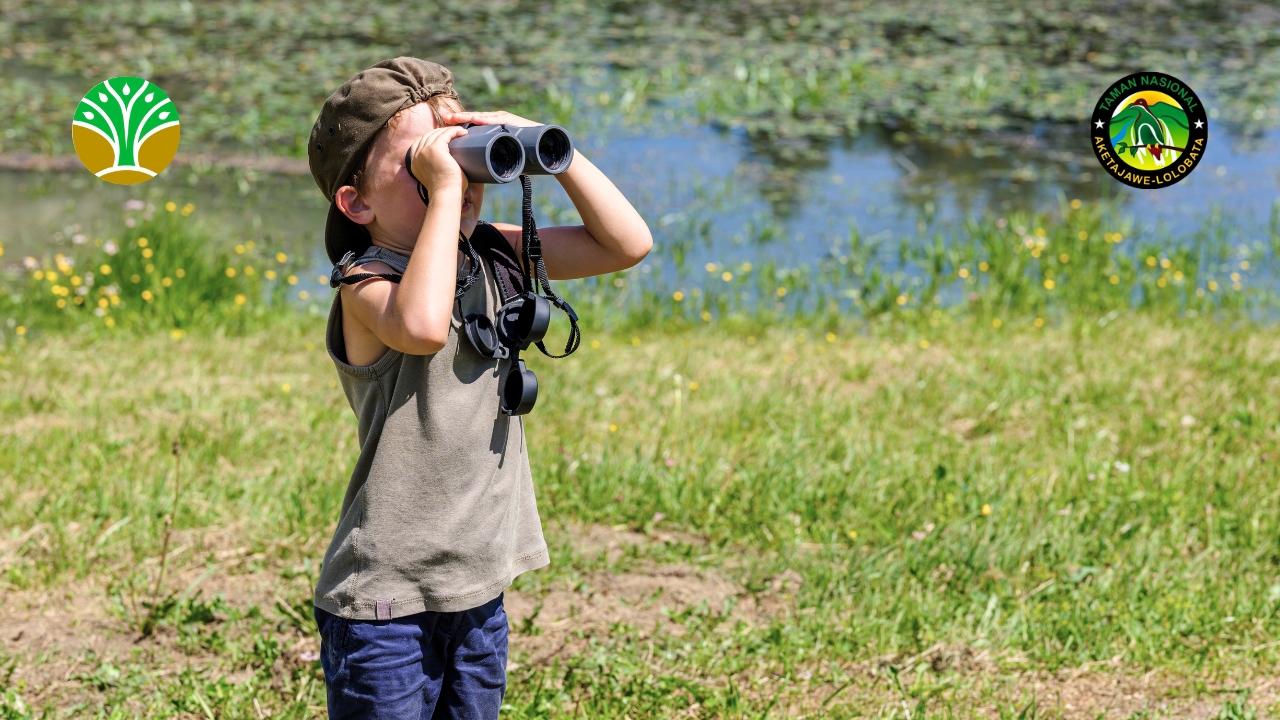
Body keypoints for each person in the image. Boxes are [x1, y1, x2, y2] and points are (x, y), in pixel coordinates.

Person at [304, 57, 652, 718]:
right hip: (385, 605)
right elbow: (425, 326)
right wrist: (445, 198)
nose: (455, 178)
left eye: (463, 157)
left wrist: (554, 149)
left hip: (477, 585)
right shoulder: (365, 284)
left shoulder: (489, 254)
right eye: (422, 164)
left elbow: (627, 244)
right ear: (356, 202)